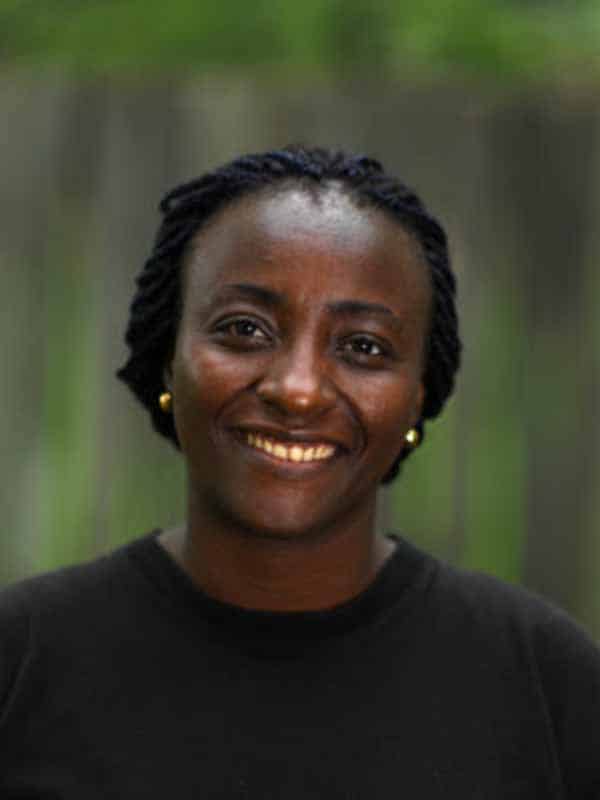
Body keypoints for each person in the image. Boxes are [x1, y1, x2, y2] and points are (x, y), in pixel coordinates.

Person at [0, 146, 598, 798]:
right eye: (244, 329)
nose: (299, 390)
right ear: (169, 360)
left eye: (363, 346)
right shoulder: (22, 660)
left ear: (416, 397)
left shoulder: (546, 684)